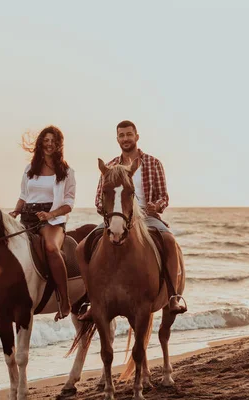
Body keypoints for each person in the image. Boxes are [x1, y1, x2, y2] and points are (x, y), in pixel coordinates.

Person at [79, 120, 187, 320]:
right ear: (117, 139)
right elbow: (98, 199)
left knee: (169, 242)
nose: (125, 138)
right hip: (116, 219)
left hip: (147, 218)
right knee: (81, 248)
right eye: (121, 135)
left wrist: (157, 206)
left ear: (136, 137)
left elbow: (164, 196)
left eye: (129, 134)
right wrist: (108, 212)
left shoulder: (153, 163)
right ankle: (91, 299)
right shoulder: (109, 166)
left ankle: (172, 296)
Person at [9, 125, 76, 321]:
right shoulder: (30, 169)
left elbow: (69, 203)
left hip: (53, 220)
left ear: (58, 145)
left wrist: (50, 214)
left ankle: (65, 300)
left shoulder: (67, 172)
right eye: (45, 141)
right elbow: (24, 194)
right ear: (40, 143)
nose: (49, 144)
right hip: (28, 216)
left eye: (53, 141)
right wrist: (16, 210)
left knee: (51, 248)